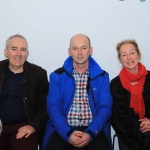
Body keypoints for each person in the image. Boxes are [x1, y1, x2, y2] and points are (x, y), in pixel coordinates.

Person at [43, 34, 112, 150]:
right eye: (75, 48)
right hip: (63, 128)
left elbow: (105, 108)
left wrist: (90, 133)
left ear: (90, 51)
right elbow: (53, 107)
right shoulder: (57, 76)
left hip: (94, 128)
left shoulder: (102, 76)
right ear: (69, 51)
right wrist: (68, 133)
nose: (79, 52)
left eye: (84, 48)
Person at [0, 34, 49, 150]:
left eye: (23, 50)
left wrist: (33, 126)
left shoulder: (38, 74)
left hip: (24, 127)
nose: (18, 53)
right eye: (14, 49)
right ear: (6, 52)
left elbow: (46, 105)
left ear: (27, 54)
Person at [110, 39, 150, 150]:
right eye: (124, 55)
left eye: (132, 52)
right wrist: (140, 128)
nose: (129, 58)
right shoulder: (115, 84)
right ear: (120, 59)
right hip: (129, 134)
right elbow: (117, 118)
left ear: (138, 54)